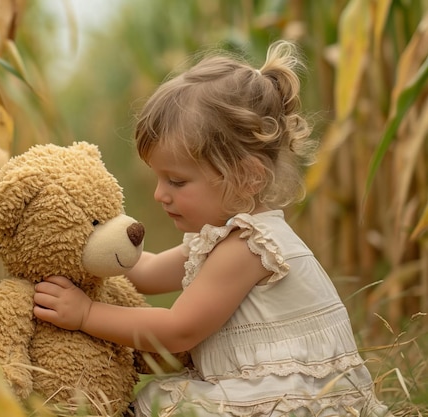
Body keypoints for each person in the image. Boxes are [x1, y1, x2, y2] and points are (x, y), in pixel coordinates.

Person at [33, 40, 390, 417]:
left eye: (177, 182)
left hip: (289, 400)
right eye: (159, 179)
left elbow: (177, 329)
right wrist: (83, 253)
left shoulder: (249, 246)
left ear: (247, 177)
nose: (159, 195)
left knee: (161, 406)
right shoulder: (222, 236)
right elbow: (150, 271)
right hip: (264, 388)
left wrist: (86, 314)